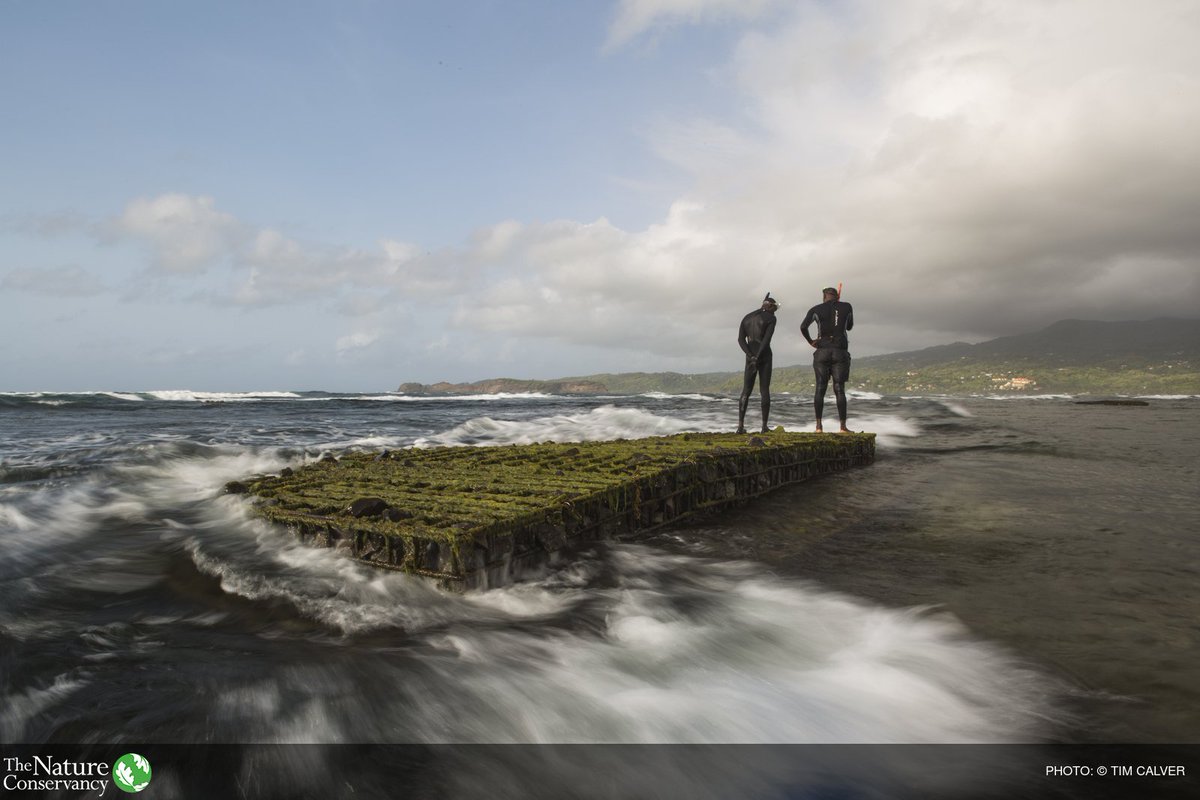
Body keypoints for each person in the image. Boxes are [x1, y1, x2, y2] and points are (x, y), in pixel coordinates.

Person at [800, 287, 854, 432]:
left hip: (822, 351)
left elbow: (803, 326)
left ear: (824, 297)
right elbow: (849, 327)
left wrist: (811, 341)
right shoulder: (847, 306)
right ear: (837, 296)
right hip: (839, 352)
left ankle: (818, 427)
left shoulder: (816, 309)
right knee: (839, 389)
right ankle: (842, 427)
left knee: (820, 388)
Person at [737, 293, 779, 434]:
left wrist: (750, 356)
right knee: (764, 390)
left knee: (746, 391)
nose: (776, 310)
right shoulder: (771, 318)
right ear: (771, 306)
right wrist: (759, 356)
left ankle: (740, 426)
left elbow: (741, 340)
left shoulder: (746, 317)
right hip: (764, 356)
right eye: (776, 307)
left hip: (750, 357)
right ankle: (764, 427)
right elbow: (766, 340)